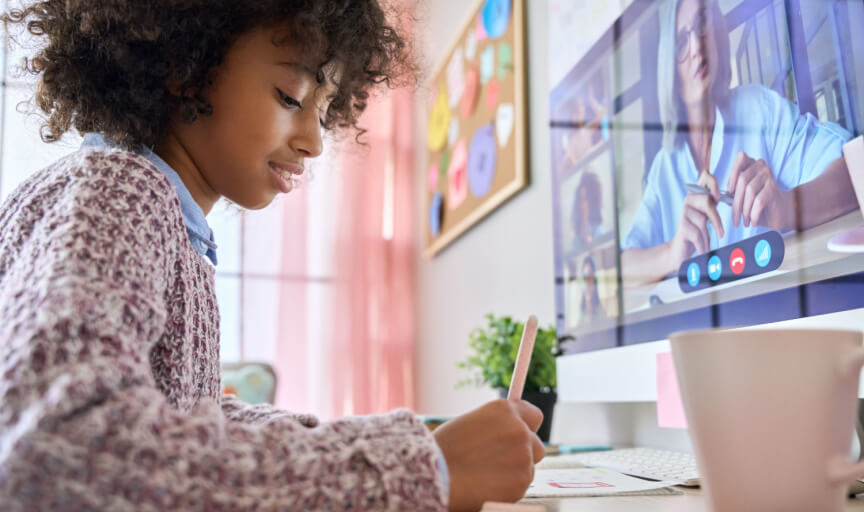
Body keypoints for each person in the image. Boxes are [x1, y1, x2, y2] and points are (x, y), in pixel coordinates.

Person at [0, 2, 544, 511]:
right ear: (184, 67)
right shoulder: (120, 194)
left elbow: (192, 413)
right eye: (291, 96)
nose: (314, 141)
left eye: (325, 110)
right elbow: (57, 449)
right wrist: (426, 469)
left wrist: (401, 443)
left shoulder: (163, 218)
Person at [621, 0, 859, 288]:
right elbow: (625, 268)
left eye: (701, 24)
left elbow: (855, 173)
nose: (697, 46)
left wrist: (786, 207)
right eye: (682, 41)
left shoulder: (758, 110)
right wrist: (673, 253)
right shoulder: (665, 165)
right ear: (668, 66)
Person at [570, 170, 605, 249]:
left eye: (586, 199)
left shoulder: (599, 232)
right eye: (580, 199)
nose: (582, 205)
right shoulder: (576, 237)